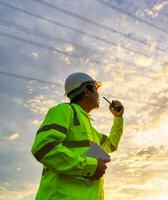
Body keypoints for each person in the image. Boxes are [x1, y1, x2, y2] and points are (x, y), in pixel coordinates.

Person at [31, 72, 124, 200]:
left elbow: (111, 145)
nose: (98, 94)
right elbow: (43, 146)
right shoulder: (64, 110)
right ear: (87, 91)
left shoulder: (90, 129)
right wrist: (90, 166)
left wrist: (118, 118)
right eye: (96, 89)